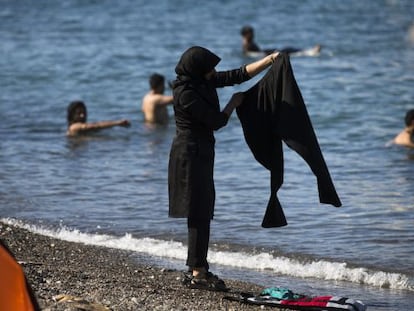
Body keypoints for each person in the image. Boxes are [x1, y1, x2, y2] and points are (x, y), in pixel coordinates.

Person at [168, 46, 279, 291]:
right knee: (199, 212)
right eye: (210, 69)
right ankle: (198, 272)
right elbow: (216, 121)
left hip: (201, 152)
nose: (215, 72)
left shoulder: (201, 81)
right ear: (198, 70)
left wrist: (270, 60)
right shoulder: (186, 93)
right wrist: (233, 103)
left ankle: (196, 267)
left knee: (202, 210)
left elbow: (237, 75)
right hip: (189, 155)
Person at [240, 25, 321, 56]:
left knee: (288, 49)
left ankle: (309, 51)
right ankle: (310, 52)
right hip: (267, 54)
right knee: (287, 50)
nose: (253, 34)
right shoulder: (247, 44)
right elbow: (251, 54)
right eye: (251, 33)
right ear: (246, 34)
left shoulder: (248, 43)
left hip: (266, 52)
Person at [66, 100, 130, 136]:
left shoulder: (82, 128)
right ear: (72, 115)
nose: (82, 116)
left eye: (84, 113)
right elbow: (96, 126)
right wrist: (117, 123)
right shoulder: (74, 127)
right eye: (79, 113)